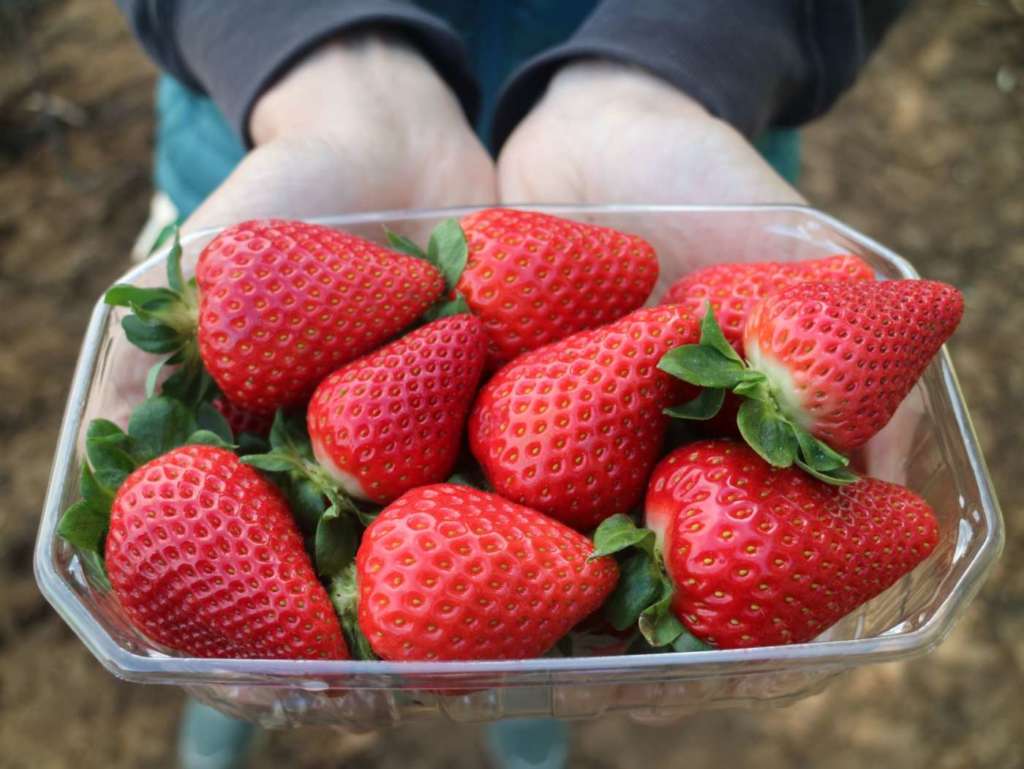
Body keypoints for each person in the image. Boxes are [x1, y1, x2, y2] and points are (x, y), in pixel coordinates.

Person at [116, 2, 907, 767]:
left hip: (690, 83)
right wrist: (320, 71)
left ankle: (521, 713)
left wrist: (664, 72)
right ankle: (244, 686)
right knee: (244, 605)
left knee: (518, 635)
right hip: (259, 117)